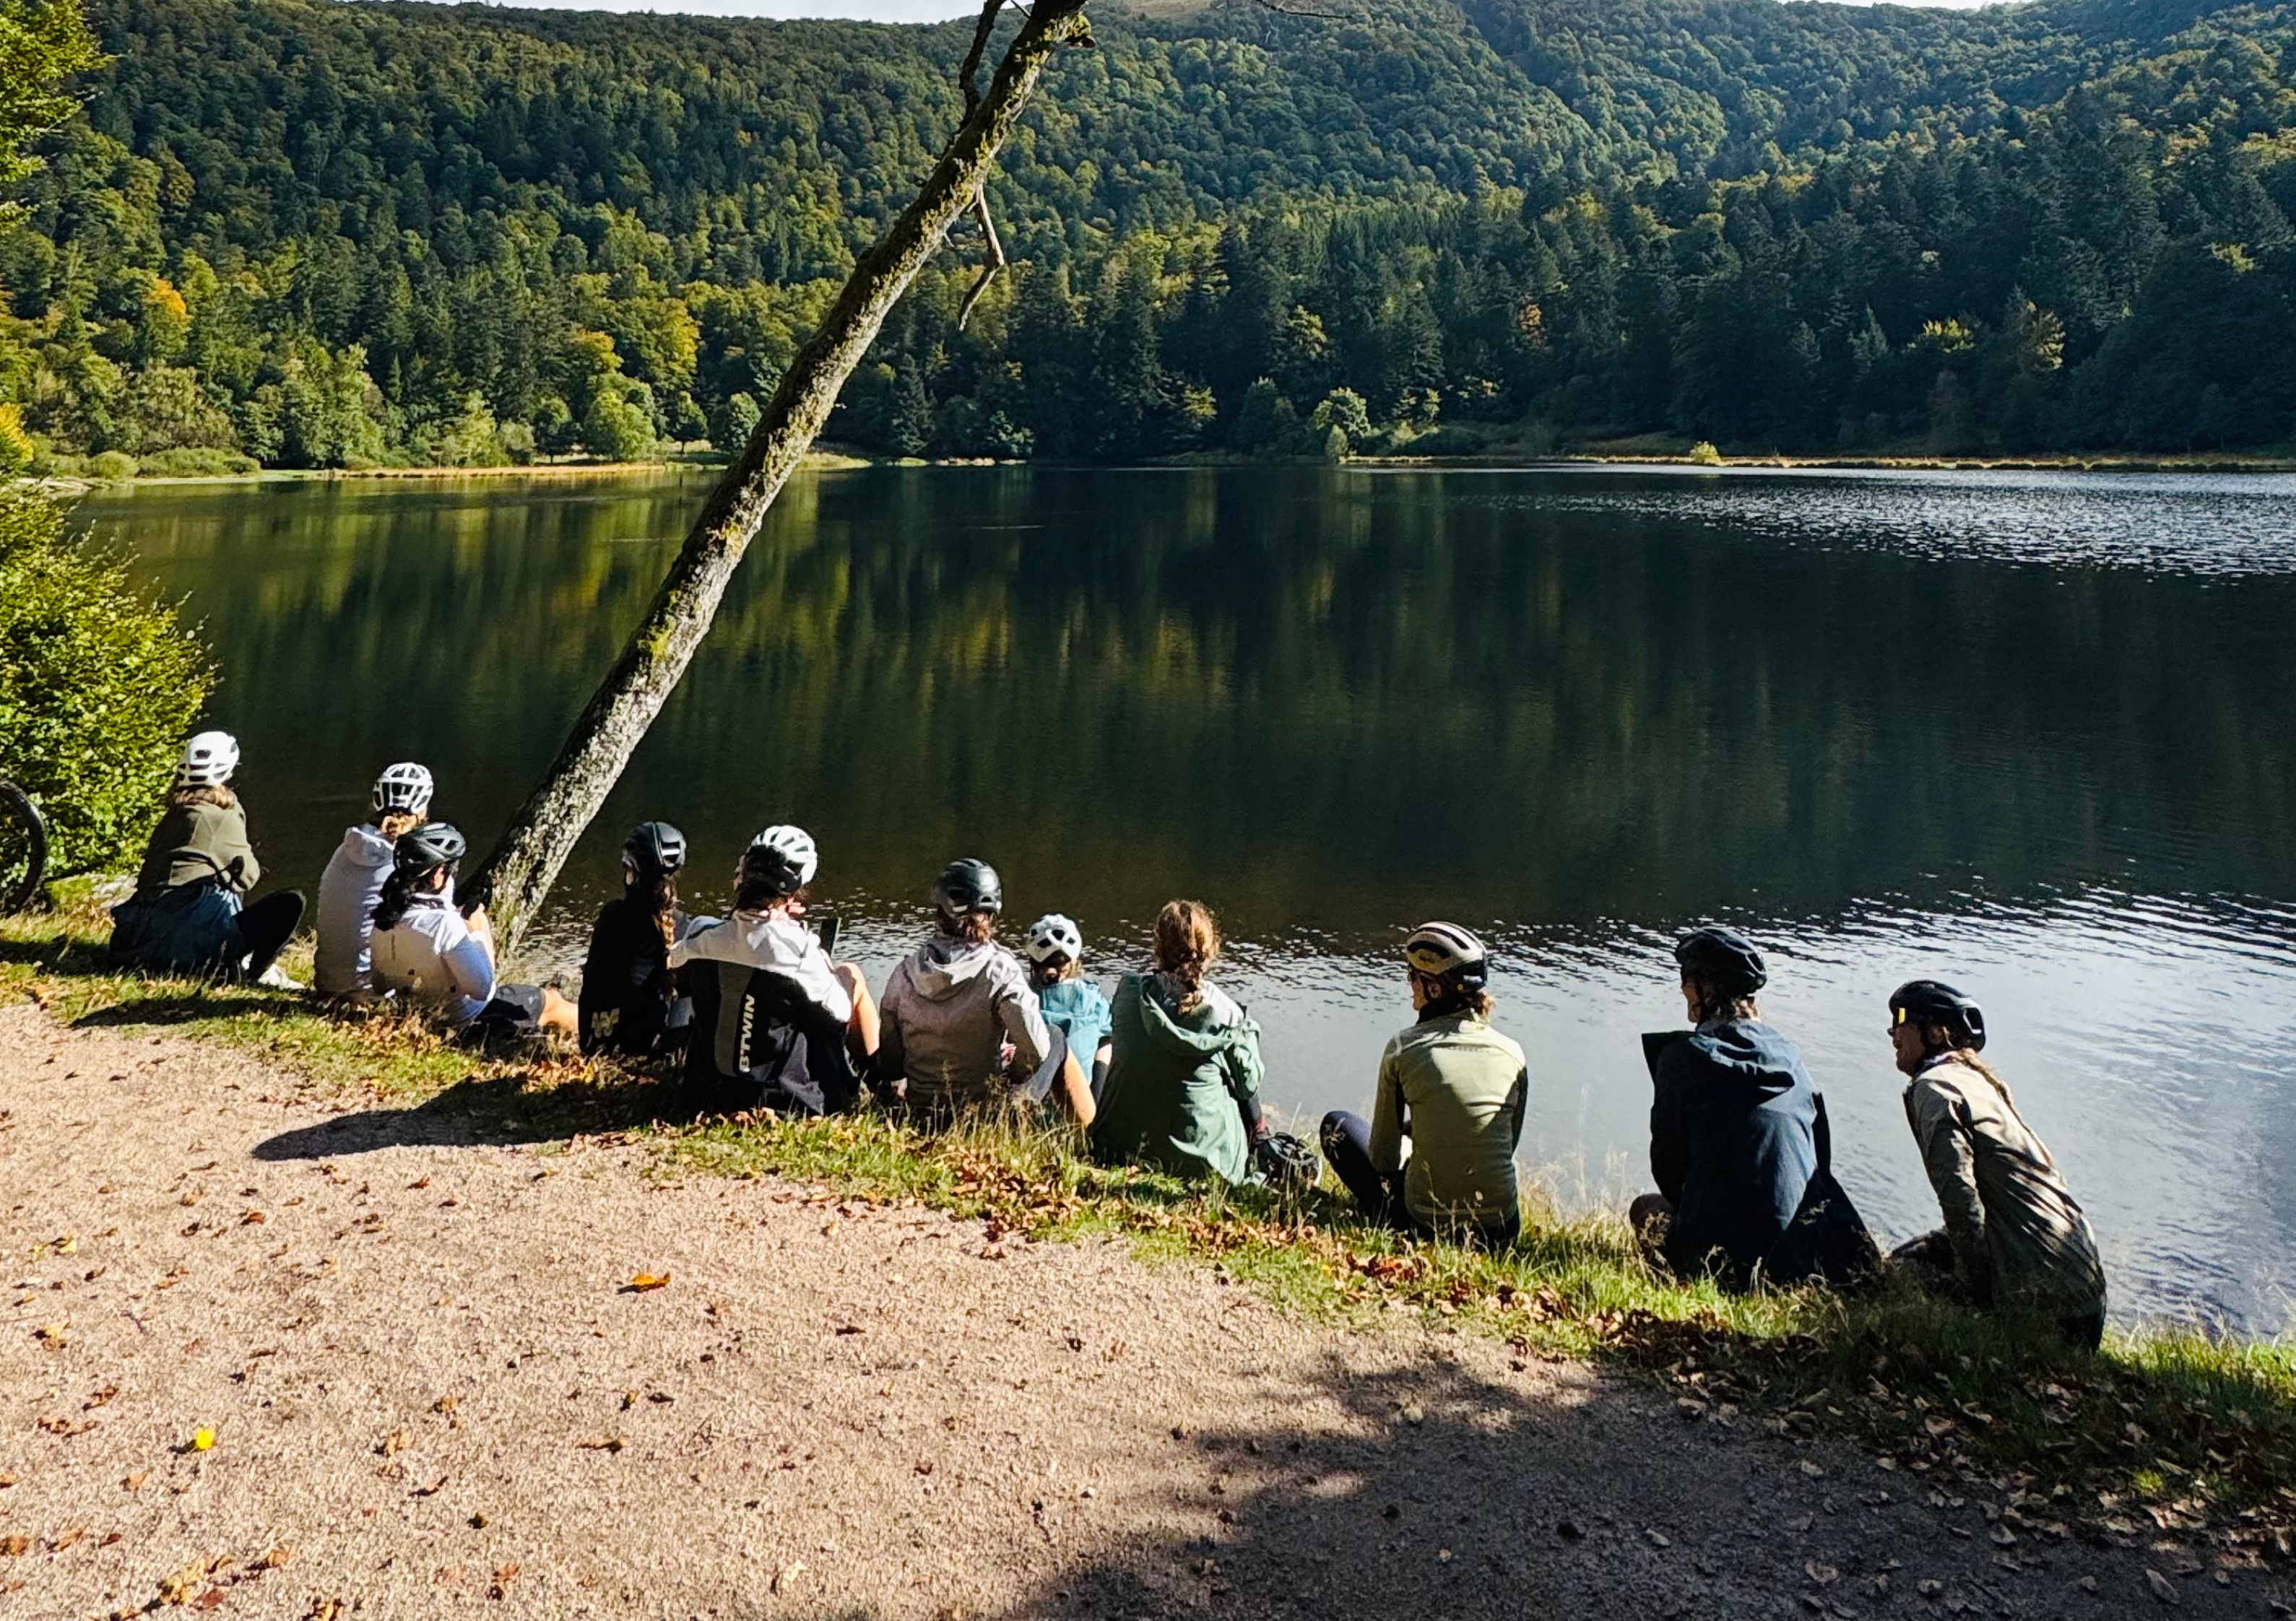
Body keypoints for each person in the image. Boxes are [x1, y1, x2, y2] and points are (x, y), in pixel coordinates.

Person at [1885, 980, 2107, 1349]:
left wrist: (1971, 1289)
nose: (1892, 1031)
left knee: (1895, 1278)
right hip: (2085, 1295)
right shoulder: (1977, 1081)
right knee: (1921, 1251)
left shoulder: (1936, 1088)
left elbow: (1959, 1198)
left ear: (1936, 1033)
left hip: (2050, 1309)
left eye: (1902, 1018)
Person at [1629, 925, 1819, 1287]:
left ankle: (1682, 1281)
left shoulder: (1683, 1059)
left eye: (1687, 980)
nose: (1682, 990)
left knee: (1645, 1208)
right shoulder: (1792, 1058)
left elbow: (1667, 1171)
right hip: (1798, 1258)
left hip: (1719, 1261)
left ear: (1708, 990)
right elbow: (1817, 1158)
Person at [1321, 922, 1528, 1245]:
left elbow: (1384, 1160)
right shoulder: (1514, 1054)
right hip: (1501, 1231)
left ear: (1434, 990)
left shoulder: (1403, 1049)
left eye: (1413, 977)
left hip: (1424, 1225)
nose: (1410, 986)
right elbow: (1506, 1143)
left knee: (1337, 1125)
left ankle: (1387, 1216)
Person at [668, 825, 880, 1115]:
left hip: (706, 1094)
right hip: (782, 1101)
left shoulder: (702, 938)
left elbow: (680, 964)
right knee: (847, 978)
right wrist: (821, 959)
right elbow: (840, 1016)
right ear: (792, 893)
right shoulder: (798, 954)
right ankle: (880, 1087)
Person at [878, 860, 1091, 1122]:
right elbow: (1035, 1050)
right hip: (981, 1115)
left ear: (940, 910)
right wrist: (1012, 1074)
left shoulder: (904, 973)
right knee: (1055, 1036)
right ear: (991, 913)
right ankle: (1087, 1137)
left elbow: (891, 1062)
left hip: (922, 1112)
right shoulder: (1000, 969)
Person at [1089, 900, 1268, 1185]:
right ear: (1210, 952)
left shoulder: (1128, 993)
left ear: (1157, 947)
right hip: (1205, 1166)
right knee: (1234, 1075)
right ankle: (1262, 1141)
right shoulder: (1227, 1013)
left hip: (1119, 1148)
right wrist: (1245, 1032)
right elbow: (1248, 1086)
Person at [108, 731, 305, 983]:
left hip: (135, 944)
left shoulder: (174, 814)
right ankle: (257, 973)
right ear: (228, 770)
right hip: (186, 949)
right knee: (291, 902)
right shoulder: (219, 817)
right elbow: (249, 877)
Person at [368, 821, 576, 1040]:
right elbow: (483, 990)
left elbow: (379, 985)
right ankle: (593, 1036)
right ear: (439, 875)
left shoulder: (383, 920)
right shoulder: (444, 924)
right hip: (468, 1025)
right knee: (552, 1000)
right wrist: (479, 929)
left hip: (422, 1020)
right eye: (451, 871)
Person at [313, 761, 434, 1001]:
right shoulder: (403, 861)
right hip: (369, 988)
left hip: (327, 982)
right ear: (422, 810)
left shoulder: (347, 847)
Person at [579, 821, 693, 1059]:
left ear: (631, 872)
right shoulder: (682, 925)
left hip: (599, 1044)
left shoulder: (612, 916)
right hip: (649, 1049)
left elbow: (591, 985)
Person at [1026, 913, 1113, 1100]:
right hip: (1081, 1100)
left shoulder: (1022, 998)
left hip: (1033, 1100)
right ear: (1074, 963)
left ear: (1032, 962)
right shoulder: (1094, 1000)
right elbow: (1107, 1042)